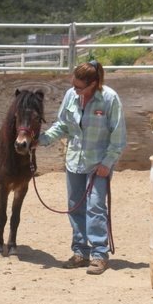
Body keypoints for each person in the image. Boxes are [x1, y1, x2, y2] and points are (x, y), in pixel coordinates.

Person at [38, 60, 127, 275]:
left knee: (95, 206)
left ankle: (99, 255)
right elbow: (62, 124)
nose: (75, 90)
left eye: (80, 87)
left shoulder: (109, 99)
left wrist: (108, 162)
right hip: (74, 161)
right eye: (74, 86)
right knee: (75, 206)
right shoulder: (71, 96)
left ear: (94, 83)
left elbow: (118, 135)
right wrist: (43, 139)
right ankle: (80, 251)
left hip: (98, 164)